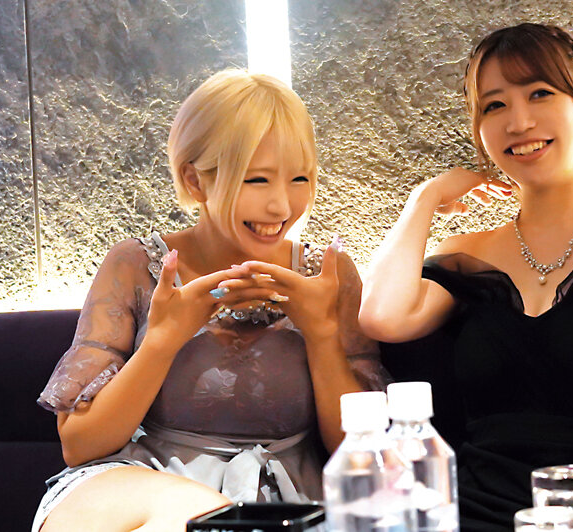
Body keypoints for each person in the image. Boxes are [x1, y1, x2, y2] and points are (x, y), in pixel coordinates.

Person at [359, 23, 573, 531]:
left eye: (540, 93)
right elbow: (382, 316)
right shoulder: (467, 252)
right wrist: (425, 198)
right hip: (471, 516)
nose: (518, 121)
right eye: (494, 105)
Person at [33, 69, 382, 532]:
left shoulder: (328, 275)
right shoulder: (136, 265)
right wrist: (162, 340)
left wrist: (321, 333)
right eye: (257, 180)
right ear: (194, 180)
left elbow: (363, 456)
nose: (282, 206)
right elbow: (79, 445)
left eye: (300, 178)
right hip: (141, 484)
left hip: (285, 504)